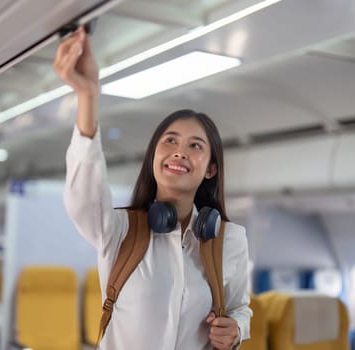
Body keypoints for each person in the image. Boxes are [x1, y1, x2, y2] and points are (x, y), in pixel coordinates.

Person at [55, 26, 252, 350]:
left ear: (210, 169)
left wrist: (237, 329)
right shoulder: (118, 230)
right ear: (154, 157)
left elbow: (239, 309)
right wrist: (87, 97)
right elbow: (83, 194)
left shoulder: (229, 240)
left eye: (195, 146)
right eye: (170, 141)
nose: (179, 151)